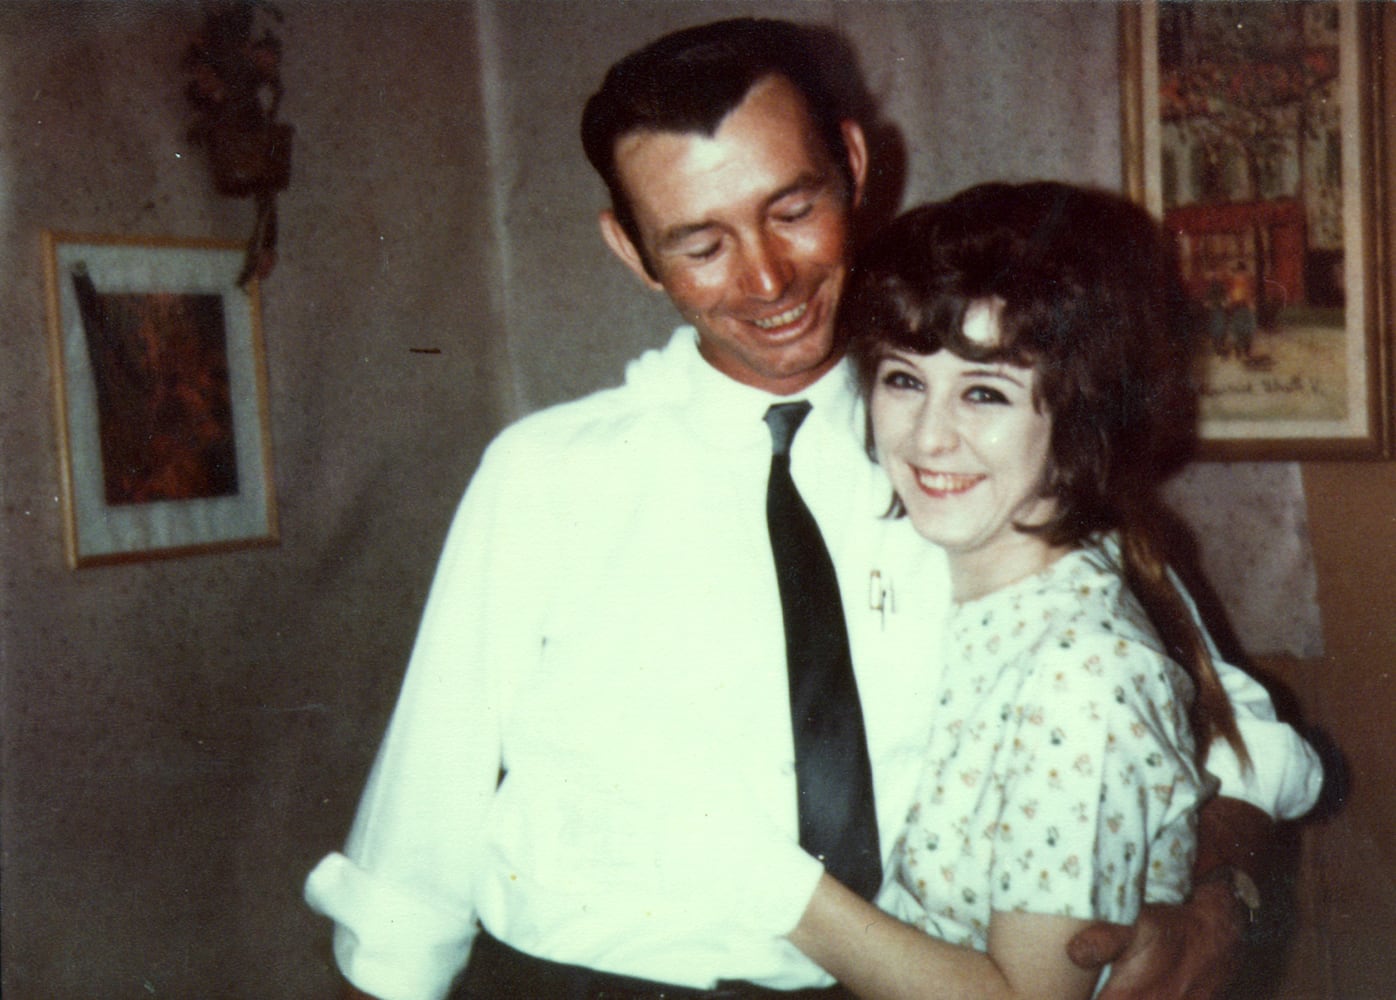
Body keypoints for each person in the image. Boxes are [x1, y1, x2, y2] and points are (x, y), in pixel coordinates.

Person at [304, 19, 1322, 1000]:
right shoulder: (544, 479)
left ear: (853, 164)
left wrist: (1221, 902)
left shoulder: (985, 458)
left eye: (791, 210)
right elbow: (416, 843)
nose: (767, 279)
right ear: (630, 249)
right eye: (700, 244)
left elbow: (1237, 738)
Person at [784, 182, 1246, 1000]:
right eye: (903, 380)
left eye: (984, 393)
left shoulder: (1081, 674)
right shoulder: (924, 569)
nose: (929, 436)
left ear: (1079, 419)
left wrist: (774, 893)